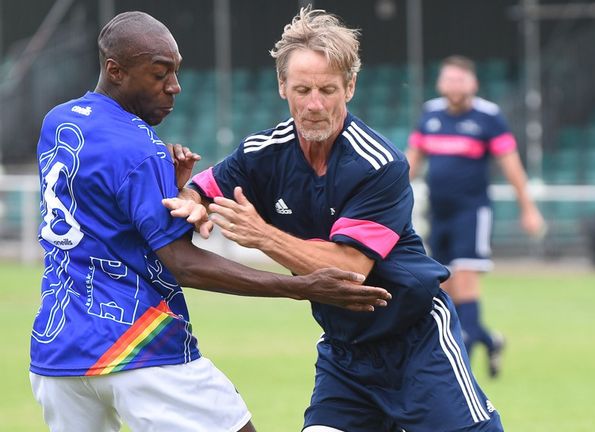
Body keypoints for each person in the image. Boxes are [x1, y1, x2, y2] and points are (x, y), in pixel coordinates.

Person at [30, 11, 391, 432]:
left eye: (176, 72)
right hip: (137, 344)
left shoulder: (59, 121)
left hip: (57, 352)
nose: (174, 87)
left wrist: (170, 190)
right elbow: (182, 264)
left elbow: (106, 214)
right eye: (159, 74)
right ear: (116, 71)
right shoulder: (140, 147)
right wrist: (299, 287)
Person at [164, 7, 503, 431]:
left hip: (416, 344)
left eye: (328, 89)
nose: (314, 104)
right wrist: (191, 198)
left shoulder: (379, 165)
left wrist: (263, 236)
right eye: (302, 89)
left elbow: (349, 270)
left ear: (351, 87)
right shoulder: (262, 153)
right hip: (345, 355)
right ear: (282, 87)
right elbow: (203, 187)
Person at [406, 55, 544, 378]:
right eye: (449, 79)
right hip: (438, 215)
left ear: (473, 83)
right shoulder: (430, 114)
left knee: (466, 279)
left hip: (472, 212)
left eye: (460, 79)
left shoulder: (488, 117)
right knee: (448, 292)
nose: (454, 85)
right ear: (441, 83)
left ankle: (460, 372)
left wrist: (528, 207)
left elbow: (510, 163)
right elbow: (410, 162)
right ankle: (490, 340)